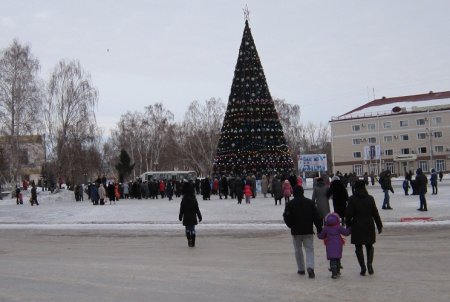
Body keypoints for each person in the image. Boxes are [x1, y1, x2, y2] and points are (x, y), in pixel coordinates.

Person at [283, 186, 323, 278]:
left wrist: (290, 225)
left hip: (296, 231)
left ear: (294, 193)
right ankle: (310, 267)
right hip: (308, 230)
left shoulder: (290, 204)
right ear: (302, 192)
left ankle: (301, 269)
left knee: (298, 251)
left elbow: (286, 216)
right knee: (309, 249)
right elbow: (316, 217)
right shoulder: (310, 203)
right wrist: (319, 229)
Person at [345, 180, 383, 276]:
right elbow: (375, 213)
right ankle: (369, 264)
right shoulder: (370, 198)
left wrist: (348, 225)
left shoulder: (352, 199)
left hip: (357, 225)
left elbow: (349, 214)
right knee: (369, 245)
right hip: (368, 224)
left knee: (358, 247)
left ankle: (362, 267)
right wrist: (379, 225)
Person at [317, 213, 351, 279]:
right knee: (337, 258)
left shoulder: (326, 228)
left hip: (329, 245)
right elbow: (346, 233)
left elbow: (321, 236)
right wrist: (350, 228)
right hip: (338, 245)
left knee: (332, 259)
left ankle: (334, 273)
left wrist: (318, 234)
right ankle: (338, 271)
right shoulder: (338, 227)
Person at [179, 183, 202, 247]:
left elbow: (182, 209)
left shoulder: (183, 199)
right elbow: (197, 209)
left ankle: (189, 239)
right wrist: (200, 216)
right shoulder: (194, 199)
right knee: (193, 229)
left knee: (187, 229)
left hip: (186, 216)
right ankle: (193, 242)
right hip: (193, 216)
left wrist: (180, 216)